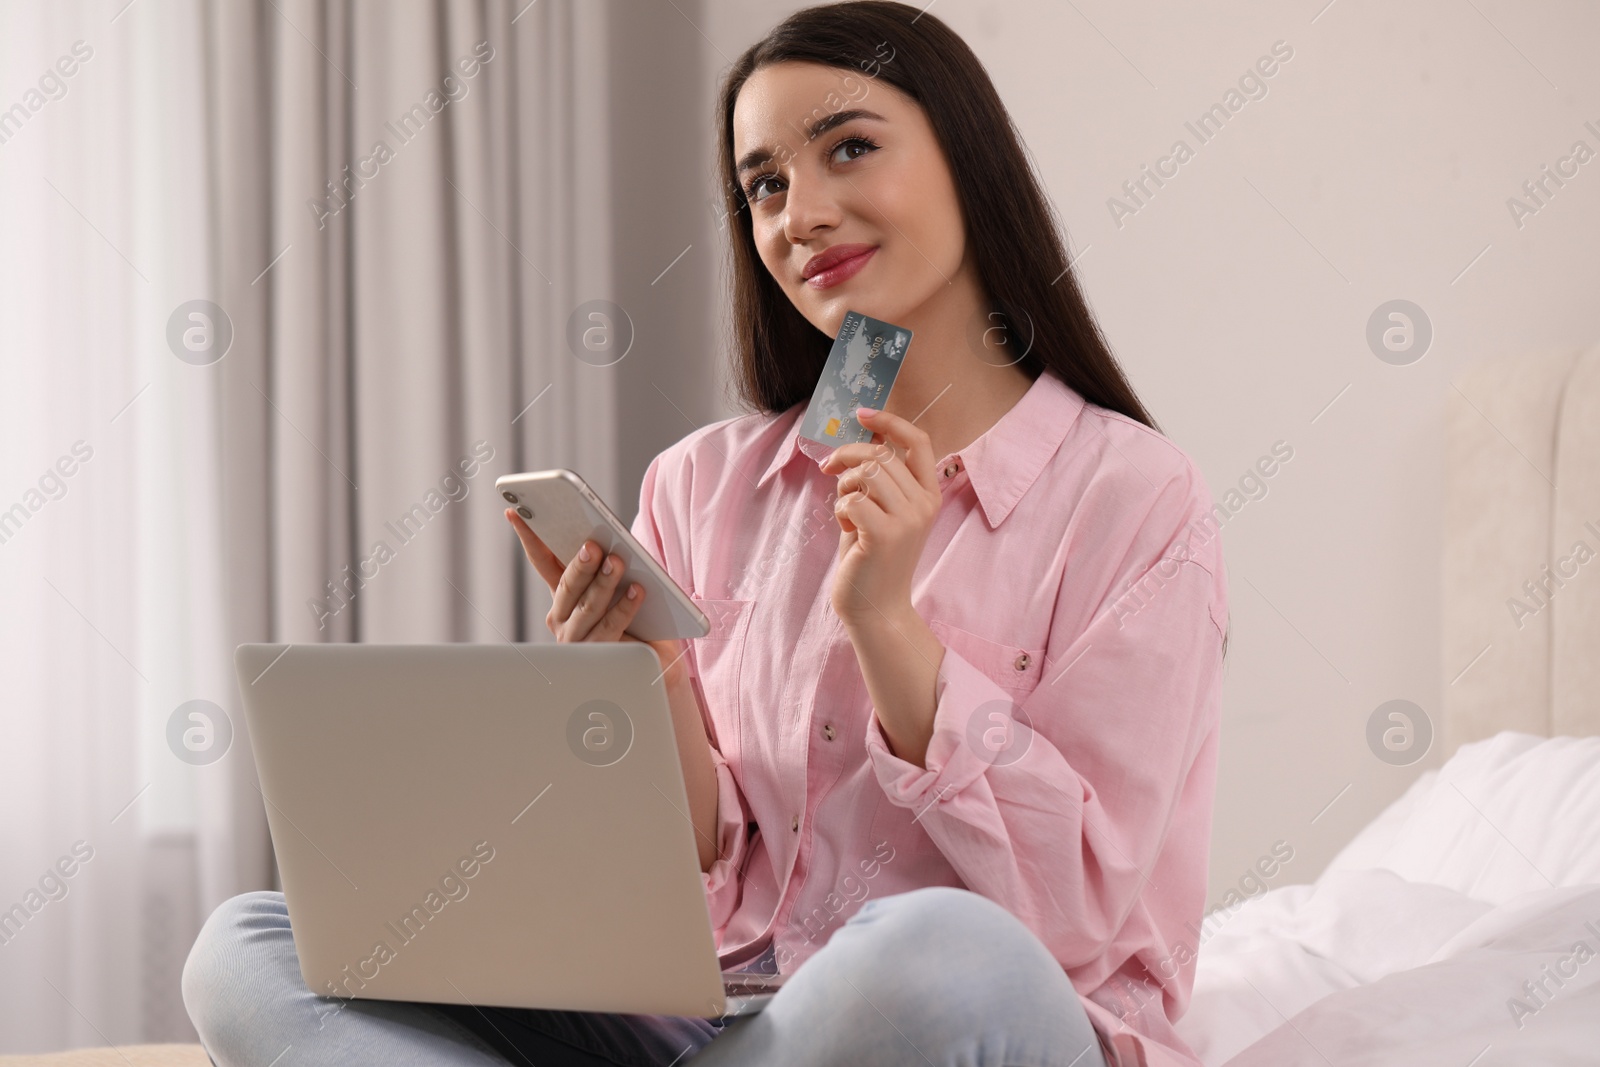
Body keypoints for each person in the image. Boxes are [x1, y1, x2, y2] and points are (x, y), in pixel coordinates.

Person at [182, 3, 1228, 1065]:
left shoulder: (1134, 497)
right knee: (250, 940)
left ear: (969, 161)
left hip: (975, 1005)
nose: (799, 213)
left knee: (942, 950)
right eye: (764, 183)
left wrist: (888, 627)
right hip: (724, 1009)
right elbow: (693, 882)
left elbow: (1074, 912)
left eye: (848, 149)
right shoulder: (703, 481)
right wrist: (651, 691)